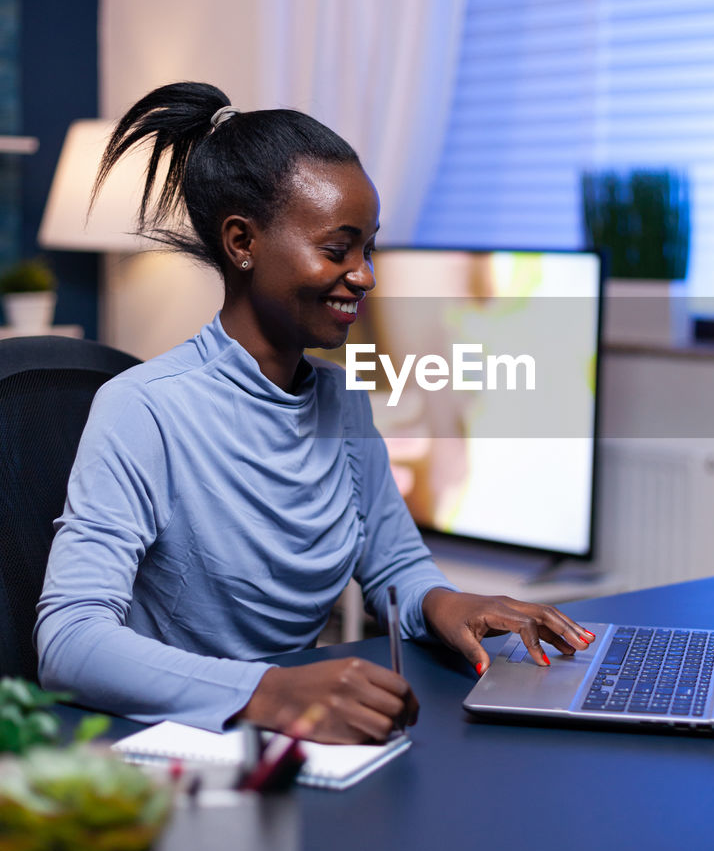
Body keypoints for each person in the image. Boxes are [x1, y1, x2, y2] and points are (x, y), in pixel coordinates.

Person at [35, 82, 594, 744]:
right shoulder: (144, 409)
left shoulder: (342, 401)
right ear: (242, 242)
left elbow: (393, 569)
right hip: (184, 747)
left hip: (305, 739)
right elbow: (68, 643)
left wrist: (450, 603)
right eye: (337, 249)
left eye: (369, 249)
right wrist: (269, 690)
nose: (364, 276)